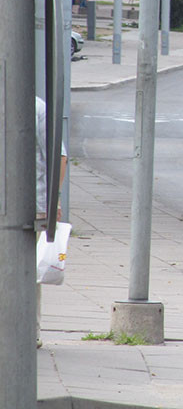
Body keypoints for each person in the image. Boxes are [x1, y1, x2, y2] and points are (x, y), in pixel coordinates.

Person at [36, 96, 68, 347]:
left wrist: (53, 200)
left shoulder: (35, 108)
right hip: (32, 205)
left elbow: (59, 156)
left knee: (26, 271)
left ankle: (28, 329)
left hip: (30, 208)